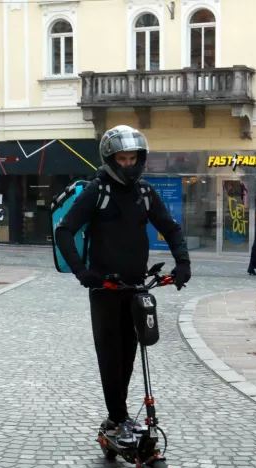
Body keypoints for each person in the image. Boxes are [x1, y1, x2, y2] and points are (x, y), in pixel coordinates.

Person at [55, 125, 191, 447]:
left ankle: (119, 415)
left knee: (130, 353)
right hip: (104, 288)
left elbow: (170, 229)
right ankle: (117, 418)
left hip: (135, 286)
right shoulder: (97, 191)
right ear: (110, 158)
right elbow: (64, 231)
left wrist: (183, 263)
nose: (128, 164)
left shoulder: (145, 193)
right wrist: (82, 272)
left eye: (133, 158)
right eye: (122, 158)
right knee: (110, 355)